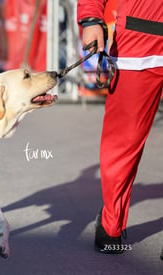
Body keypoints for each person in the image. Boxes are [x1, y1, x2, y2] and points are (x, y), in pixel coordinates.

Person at [77, 0, 163, 254]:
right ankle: (111, 226)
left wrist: (91, 19)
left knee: (122, 141)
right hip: (141, 40)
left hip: (141, 35)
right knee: (123, 141)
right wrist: (91, 18)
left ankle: (111, 227)